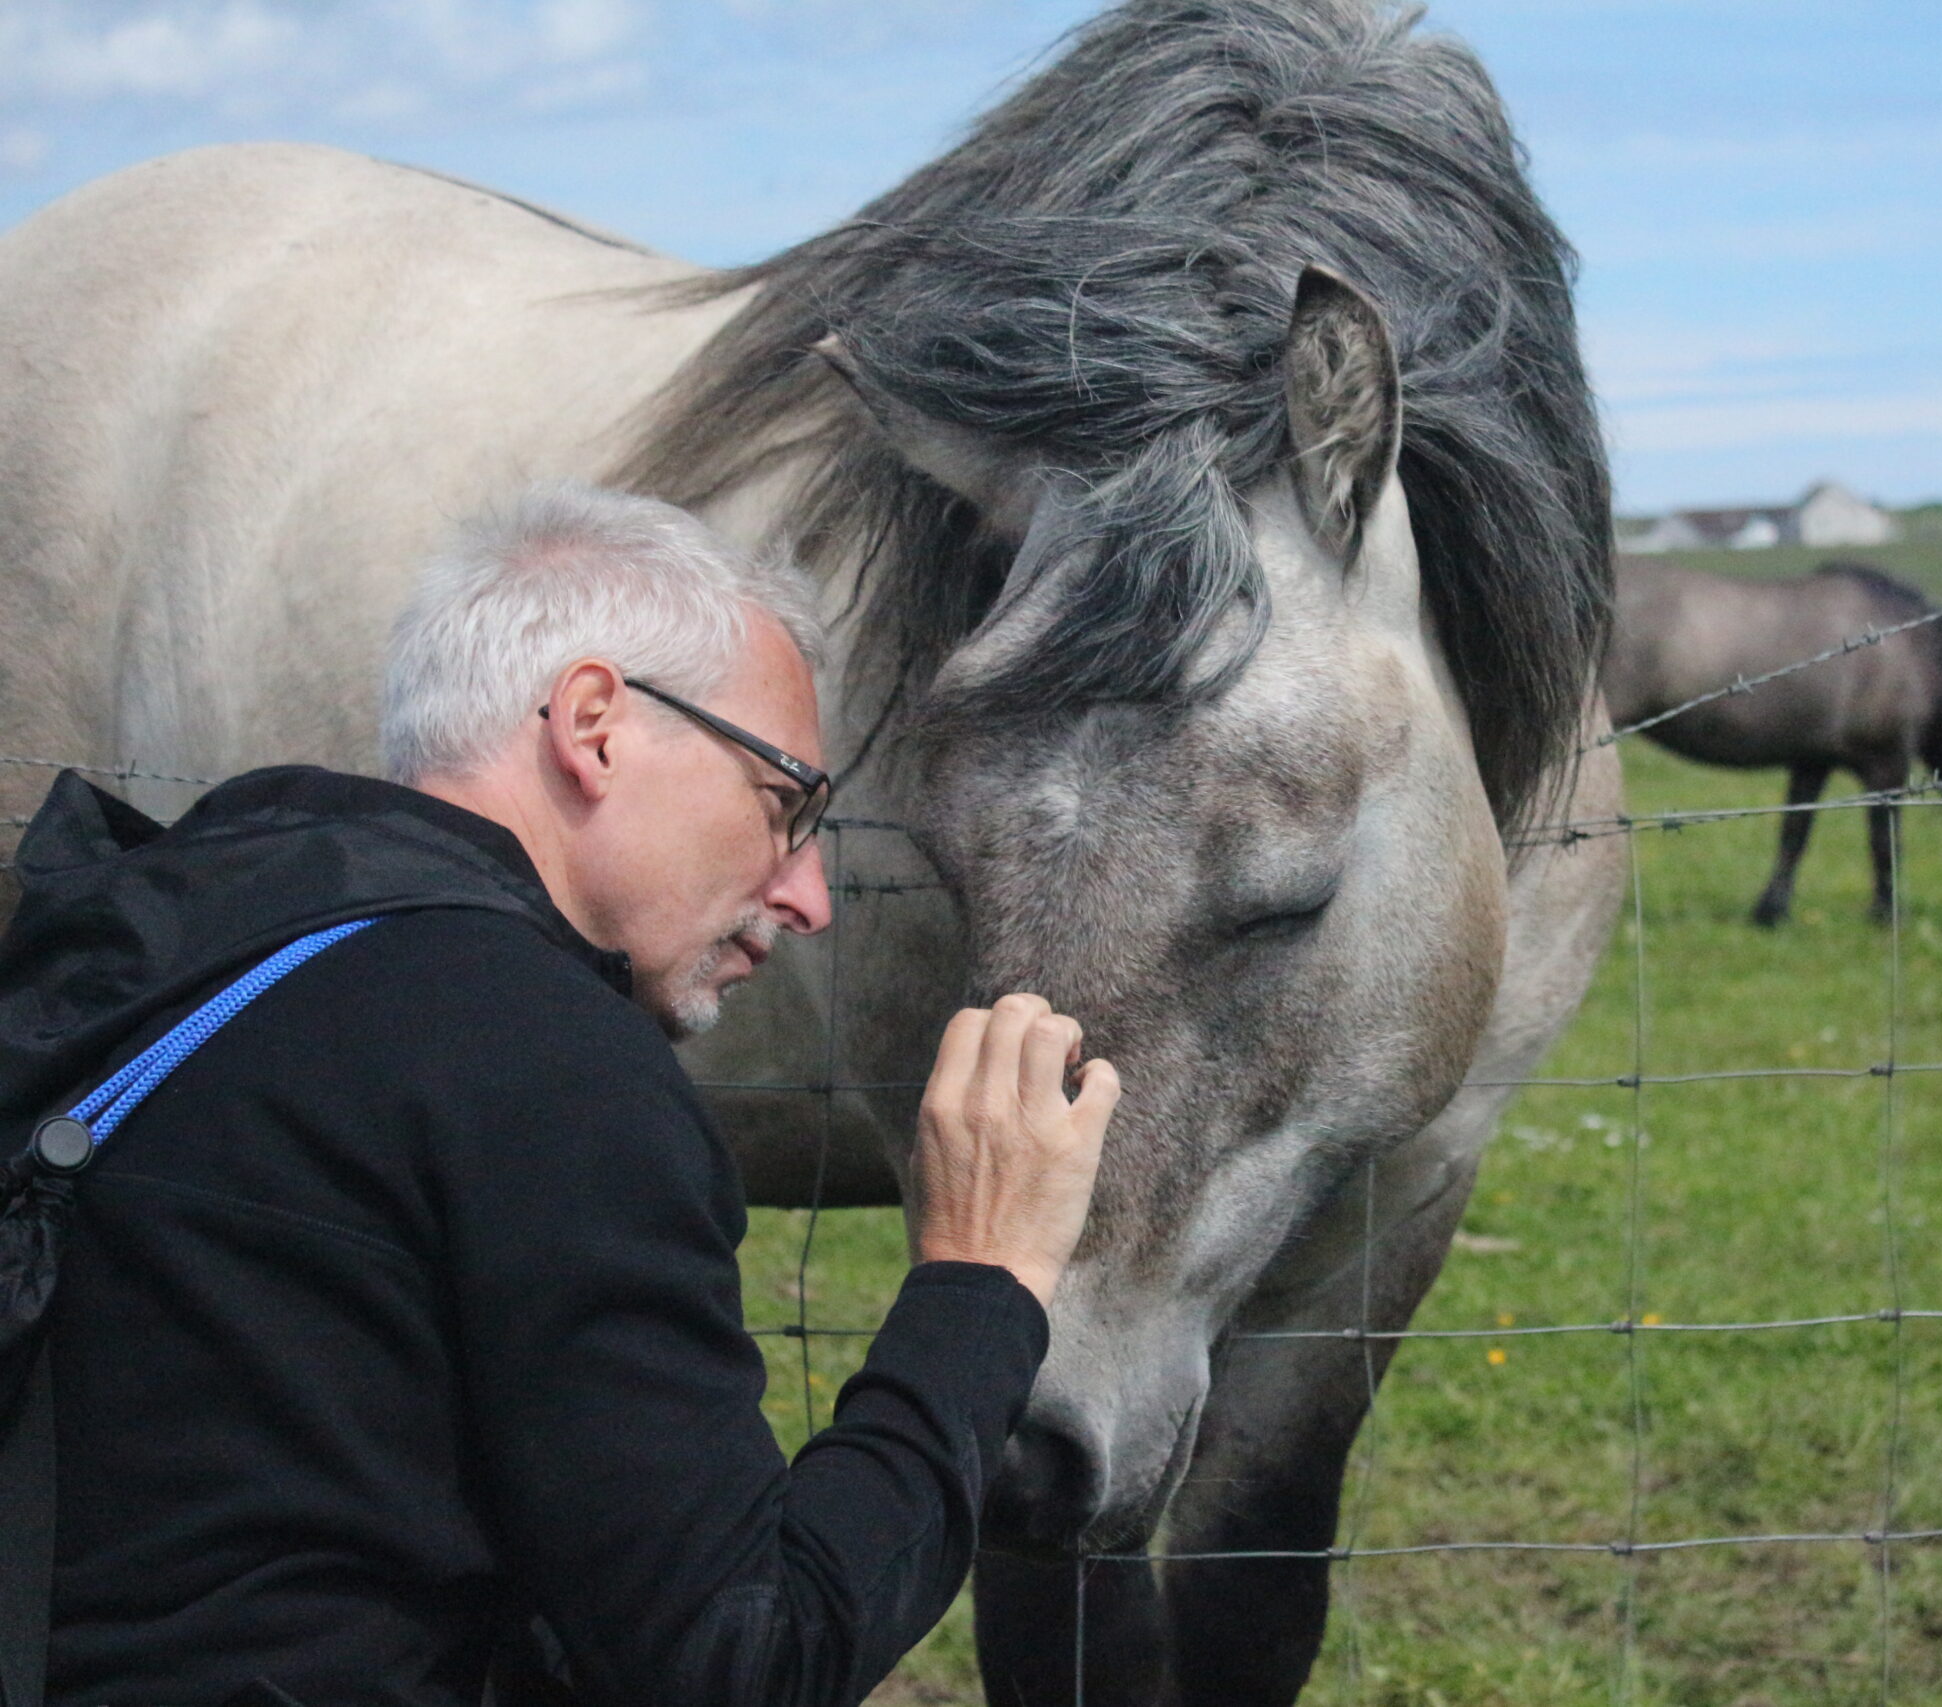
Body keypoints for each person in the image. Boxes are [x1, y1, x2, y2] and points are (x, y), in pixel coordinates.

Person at [1, 483, 1117, 1705]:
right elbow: (743, 1662)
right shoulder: (540, 1061)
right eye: (787, 803)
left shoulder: (139, 943)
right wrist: (979, 1281)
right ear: (593, 725)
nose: (806, 898)